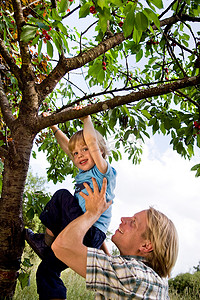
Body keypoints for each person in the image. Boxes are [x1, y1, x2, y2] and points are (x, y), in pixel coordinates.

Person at [25, 113, 117, 300]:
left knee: (61, 196)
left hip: (88, 231)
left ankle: (46, 244)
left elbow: (91, 143)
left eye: (85, 149)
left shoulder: (103, 171)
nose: (79, 155)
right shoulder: (83, 172)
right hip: (83, 231)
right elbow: (67, 147)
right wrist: (54, 127)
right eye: (76, 153)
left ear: (99, 151)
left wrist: (87, 120)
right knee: (45, 272)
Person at [52, 177, 179, 300]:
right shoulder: (154, 279)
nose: (124, 219)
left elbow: (63, 247)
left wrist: (92, 213)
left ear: (146, 246)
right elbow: (110, 265)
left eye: (133, 222)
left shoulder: (133, 276)